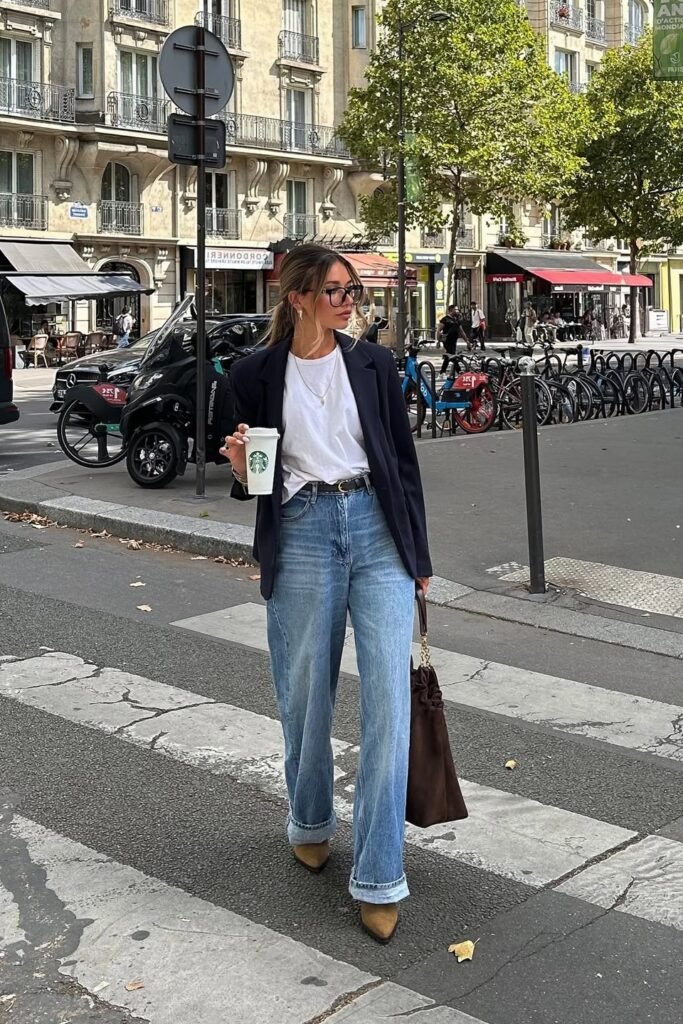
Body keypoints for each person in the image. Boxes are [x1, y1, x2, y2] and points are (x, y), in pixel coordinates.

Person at [221, 243, 432, 945]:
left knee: (388, 707)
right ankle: (309, 819)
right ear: (299, 296)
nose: (350, 301)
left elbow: (400, 462)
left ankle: (378, 874)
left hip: (376, 529)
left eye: (352, 289)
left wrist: (418, 556)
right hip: (304, 528)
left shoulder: (372, 364)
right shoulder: (252, 375)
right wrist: (238, 463)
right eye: (336, 290)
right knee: (306, 696)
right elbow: (253, 482)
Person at [438, 305, 464, 372]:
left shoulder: (457, 320)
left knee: (448, 356)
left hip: (454, 341)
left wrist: (467, 341)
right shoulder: (445, 319)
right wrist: (438, 341)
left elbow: (461, 331)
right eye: (456, 309)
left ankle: (442, 372)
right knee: (452, 356)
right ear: (451, 310)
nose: (457, 311)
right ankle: (459, 371)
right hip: (447, 341)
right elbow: (438, 330)